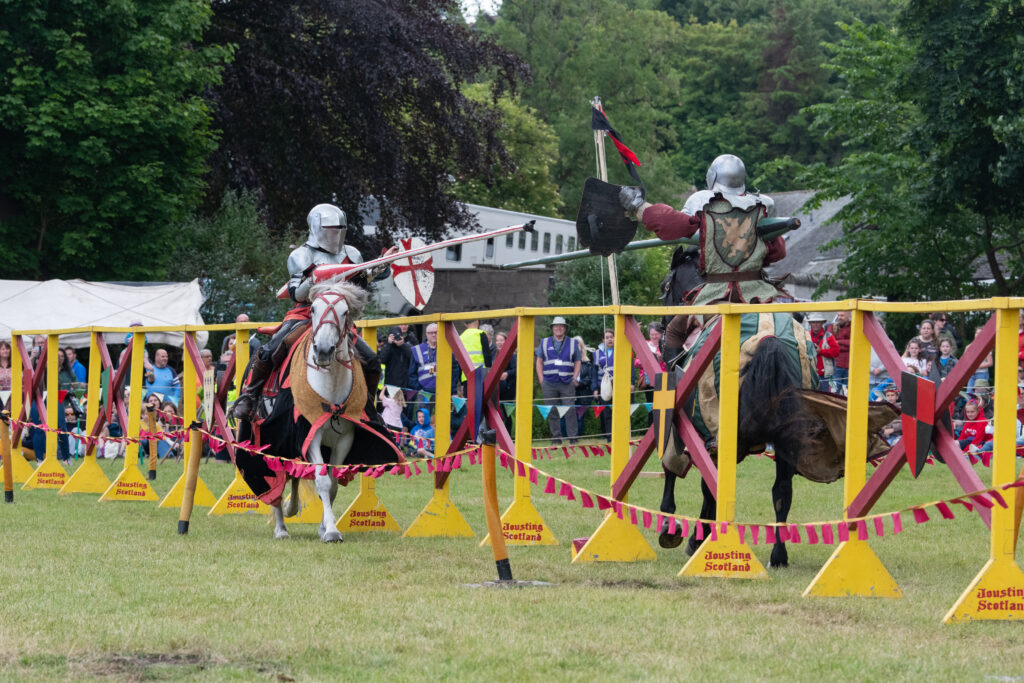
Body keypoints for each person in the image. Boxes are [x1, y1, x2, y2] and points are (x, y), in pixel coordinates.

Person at [620, 154, 791, 359]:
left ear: (713, 177)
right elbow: (778, 252)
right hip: (759, 294)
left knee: (673, 332)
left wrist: (639, 206)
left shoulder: (706, 204)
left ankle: (673, 388)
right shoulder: (761, 206)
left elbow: (670, 223)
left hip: (716, 294)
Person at [232, 203, 388, 420]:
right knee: (270, 349)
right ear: (317, 227)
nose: (335, 232)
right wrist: (313, 280)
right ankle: (250, 397)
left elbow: (358, 288)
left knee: (371, 360)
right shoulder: (302, 255)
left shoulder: (352, 253)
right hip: (306, 314)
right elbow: (296, 294)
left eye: (339, 228)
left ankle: (367, 408)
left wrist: (374, 271)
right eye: (330, 227)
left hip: (337, 318)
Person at [535, 317, 581, 444]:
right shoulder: (544, 342)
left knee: (570, 410)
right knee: (552, 410)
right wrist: (541, 380)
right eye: (556, 326)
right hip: (549, 382)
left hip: (567, 382)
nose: (558, 328)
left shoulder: (572, 343)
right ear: (552, 328)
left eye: (561, 326)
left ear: (565, 328)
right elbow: (539, 362)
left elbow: (578, 361)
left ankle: (573, 438)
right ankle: (556, 438)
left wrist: (574, 377)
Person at [591, 328, 616, 437]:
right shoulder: (596, 353)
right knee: (606, 411)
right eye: (607, 338)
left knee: (618, 410)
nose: (609, 339)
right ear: (603, 340)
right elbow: (594, 373)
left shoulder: (620, 350)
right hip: (603, 385)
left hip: (617, 384)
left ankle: (618, 433)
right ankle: (608, 435)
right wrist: (595, 389)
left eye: (611, 337)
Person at [807, 313, 839, 388]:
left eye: (818, 322)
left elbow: (836, 352)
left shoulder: (829, 336)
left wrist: (821, 351)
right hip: (810, 375)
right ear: (810, 323)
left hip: (828, 376)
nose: (815, 324)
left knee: (829, 396)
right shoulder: (806, 336)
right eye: (813, 322)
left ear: (822, 323)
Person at [494, 330, 516, 432]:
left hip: (508, 389)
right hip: (496, 389)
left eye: (501, 340)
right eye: (497, 340)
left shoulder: (511, 355)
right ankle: (498, 434)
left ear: (506, 341)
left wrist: (507, 374)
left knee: (507, 412)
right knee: (496, 412)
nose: (499, 342)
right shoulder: (494, 355)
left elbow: (516, 370)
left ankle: (507, 436)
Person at [458, 318, 492, 384]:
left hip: (466, 376)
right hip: (481, 375)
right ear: (477, 321)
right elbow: (487, 356)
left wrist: (461, 382)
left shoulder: (460, 337)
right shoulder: (481, 334)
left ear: (465, 324)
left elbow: (459, 360)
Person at [379, 325, 413, 390]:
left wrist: (403, 345)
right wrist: (389, 344)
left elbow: (413, 357)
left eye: (398, 335)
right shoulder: (387, 346)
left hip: (405, 385)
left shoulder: (406, 345)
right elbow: (382, 359)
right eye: (393, 336)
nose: (396, 338)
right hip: (390, 384)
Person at [964, 326, 994, 393]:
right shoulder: (968, 347)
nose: (978, 335)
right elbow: (965, 362)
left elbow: (990, 363)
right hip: (971, 374)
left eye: (980, 333)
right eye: (976, 333)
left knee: (980, 394)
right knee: (969, 393)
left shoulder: (986, 347)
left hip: (982, 373)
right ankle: (971, 404)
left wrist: (976, 366)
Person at [832, 311, 851, 385]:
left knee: (848, 391)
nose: (839, 318)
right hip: (837, 364)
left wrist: (839, 342)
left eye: (842, 315)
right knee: (835, 390)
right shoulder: (834, 327)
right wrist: (847, 345)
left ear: (848, 316)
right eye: (838, 315)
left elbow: (854, 343)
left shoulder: (853, 327)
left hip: (850, 365)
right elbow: (832, 345)